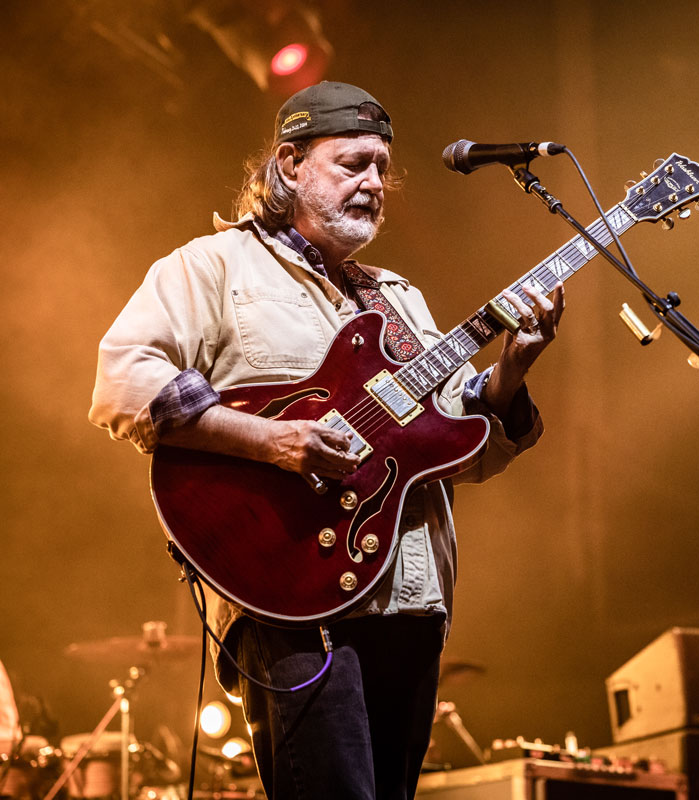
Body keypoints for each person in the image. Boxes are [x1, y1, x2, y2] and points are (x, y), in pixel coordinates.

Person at [89, 81, 565, 800]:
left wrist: (512, 368)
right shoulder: (212, 268)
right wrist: (272, 442)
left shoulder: (396, 298)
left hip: (412, 601)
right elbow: (122, 383)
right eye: (353, 164)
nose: (375, 183)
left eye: (382, 166)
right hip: (290, 600)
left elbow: (460, 446)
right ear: (289, 165)